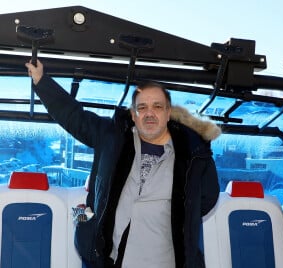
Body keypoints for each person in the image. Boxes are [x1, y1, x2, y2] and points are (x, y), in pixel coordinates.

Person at [25, 59, 221, 268]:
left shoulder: (194, 153)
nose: (149, 113)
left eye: (157, 106)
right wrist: (41, 81)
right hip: (112, 260)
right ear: (134, 115)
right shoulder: (112, 136)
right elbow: (75, 117)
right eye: (142, 107)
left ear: (167, 113)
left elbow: (207, 199)